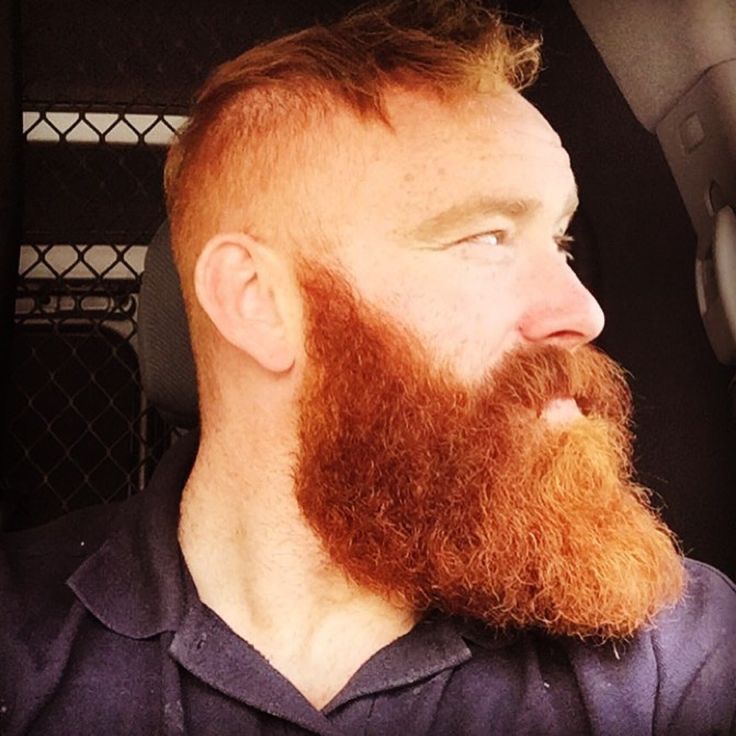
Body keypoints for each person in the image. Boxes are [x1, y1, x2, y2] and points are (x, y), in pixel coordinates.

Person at [2, 1, 735, 734]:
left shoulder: (671, 654)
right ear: (258, 303)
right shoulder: (20, 644)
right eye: (486, 237)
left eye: (561, 242)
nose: (583, 312)